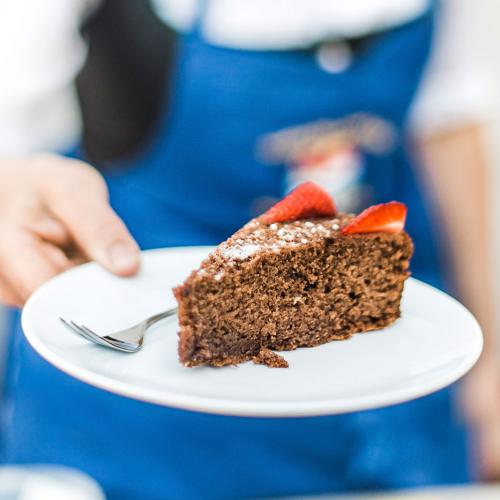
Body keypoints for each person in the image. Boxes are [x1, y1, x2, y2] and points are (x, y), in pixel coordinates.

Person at [0, 0, 499, 498]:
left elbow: (449, 112)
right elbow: (14, 128)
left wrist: (490, 354)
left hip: (392, 362)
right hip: (152, 407)